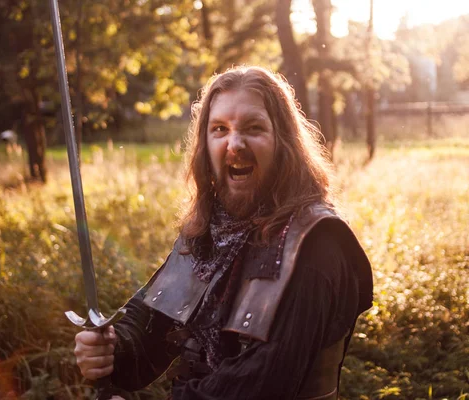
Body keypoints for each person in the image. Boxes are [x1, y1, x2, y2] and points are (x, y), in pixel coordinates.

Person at [74, 66, 373, 399]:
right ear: (205, 144)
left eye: (253, 127)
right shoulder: (211, 230)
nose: (235, 144)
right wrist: (113, 348)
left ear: (284, 141)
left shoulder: (315, 245)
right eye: (219, 129)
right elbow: (152, 323)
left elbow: (258, 386)